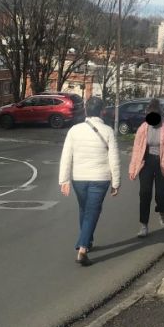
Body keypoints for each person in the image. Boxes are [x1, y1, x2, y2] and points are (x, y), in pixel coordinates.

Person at [59, 96, 120, 266]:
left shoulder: (74, 130)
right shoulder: (108, 131)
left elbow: (66, 156)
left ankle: (87, 240)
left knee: (85, 210)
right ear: (102, 111)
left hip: (79, 178)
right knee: (92, 211)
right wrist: (116, 182)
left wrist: (64, 179)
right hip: (100, 178)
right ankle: (83, 247)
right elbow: (114, 158)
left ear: (86, 110)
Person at [128, 99, 164, 238]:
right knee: (144, 194)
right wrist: (132, 169)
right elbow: (137, 150)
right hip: (147, 162)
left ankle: (162, 212)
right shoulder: (143, 129)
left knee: (160, 195)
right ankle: (143, 225)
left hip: (163, 163)